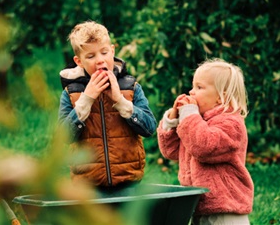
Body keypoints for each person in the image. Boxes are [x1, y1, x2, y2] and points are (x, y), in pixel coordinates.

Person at [58, 21, 157, 188]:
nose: (100, 60)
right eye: (90, 56)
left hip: (129, 183)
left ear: (112, 51)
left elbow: (149, 128)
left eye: (104, 52)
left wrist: (120, 101)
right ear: (79, 61)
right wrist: (86, 99)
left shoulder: (130, 87)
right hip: (87, 187)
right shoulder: (71, 92)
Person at [157, 58, 254, 225]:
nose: (191, 92)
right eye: (193, 86)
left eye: (199, 87)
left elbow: (204, 147)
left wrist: (189, 115)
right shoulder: (195, 124)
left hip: (226, 210)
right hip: (199, 206)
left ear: (221, 97)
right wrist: (172, 121)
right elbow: (171, 151)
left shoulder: (231, 123)